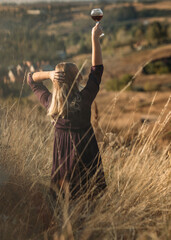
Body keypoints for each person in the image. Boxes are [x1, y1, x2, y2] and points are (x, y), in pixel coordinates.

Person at [27, 23, 106, 199]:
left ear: (55, 81)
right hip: (87, 157)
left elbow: (31, 80)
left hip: (63, 166)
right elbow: (97, 71)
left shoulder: (50, 104)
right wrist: (94, 39)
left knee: (65, 204)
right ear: (78, 78)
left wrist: (48, 74)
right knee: (90, 201)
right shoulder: (84, 100)